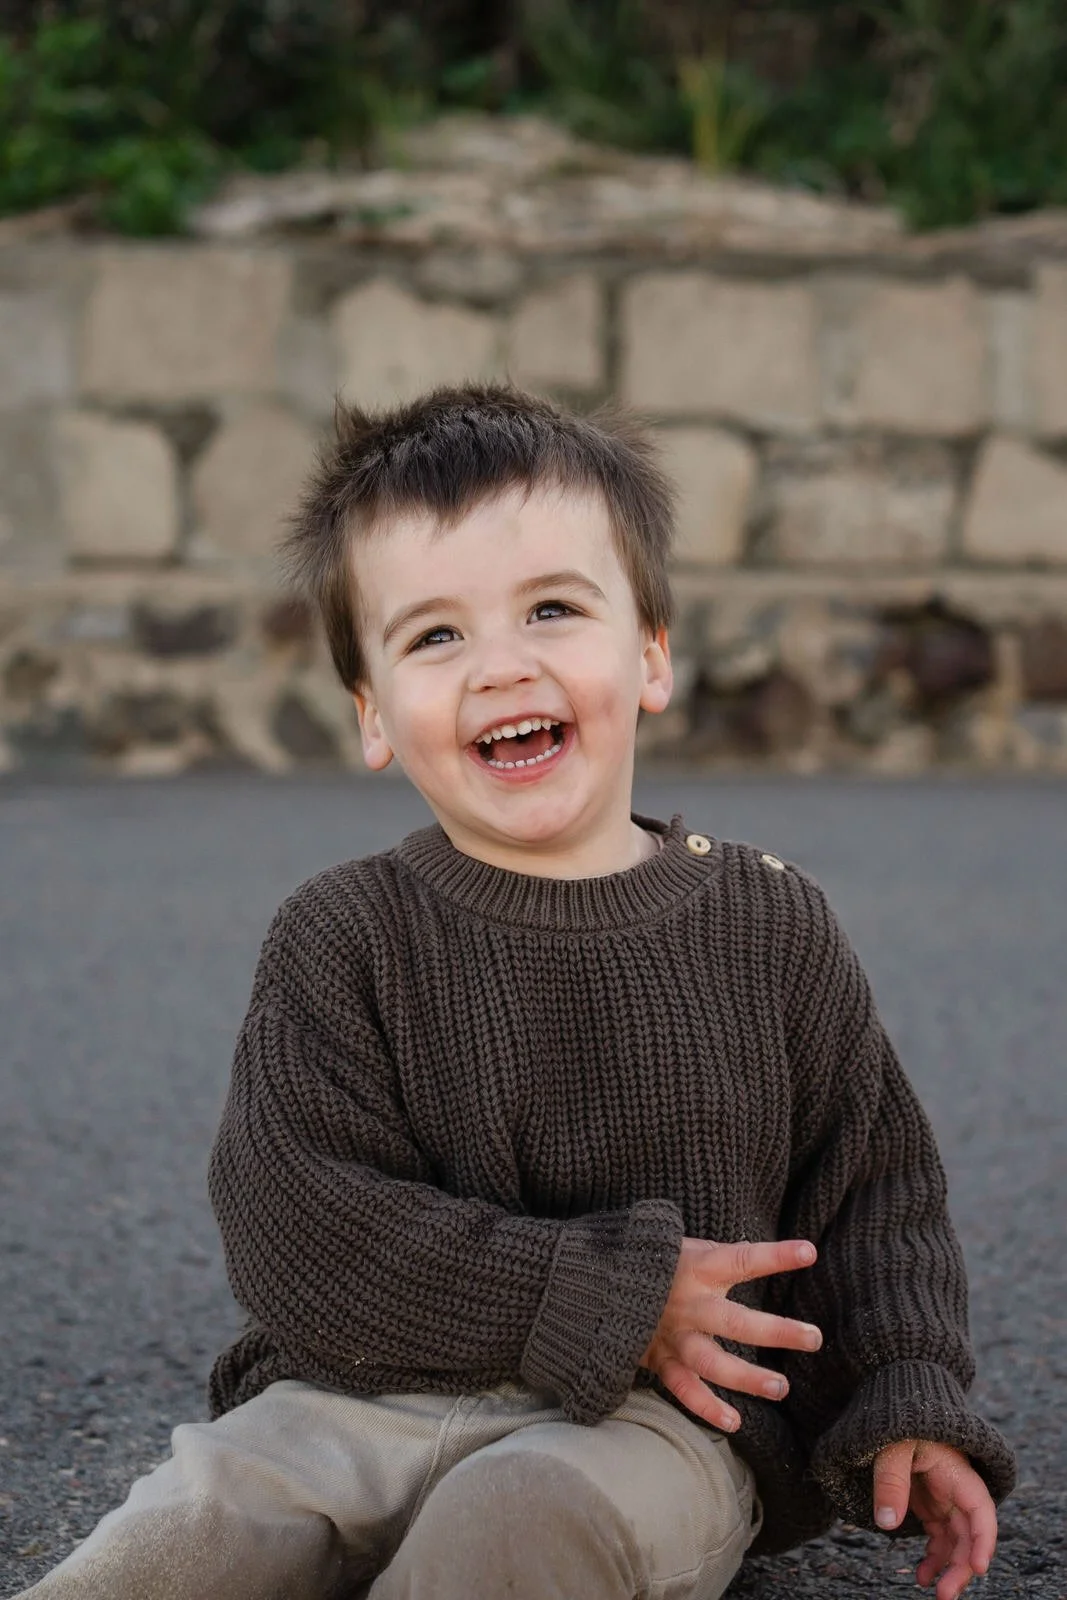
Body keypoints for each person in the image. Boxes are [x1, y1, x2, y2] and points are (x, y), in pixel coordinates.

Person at [19, 385, 1014, 1600]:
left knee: (522, 1520)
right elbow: (296, 1217)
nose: (500, 664)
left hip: (655, 1429)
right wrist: (605, 1291)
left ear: (649, 652)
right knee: (197, 1522)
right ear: (372, 715)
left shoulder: (768, 921)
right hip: (355, 1395)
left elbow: (872, 1192)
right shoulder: (342, 932)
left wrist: (911, 1395)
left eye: (551, 607)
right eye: (433, 636)